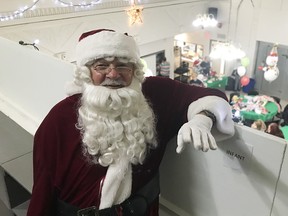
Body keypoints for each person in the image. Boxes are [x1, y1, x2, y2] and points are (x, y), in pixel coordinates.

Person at [27, 29, 235, 216]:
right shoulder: (59, 119)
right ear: (86, 73)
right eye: (102, 66)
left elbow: (210, 95)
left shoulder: (156, 95)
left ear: (134, 70)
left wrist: (203, 118)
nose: (113, 74)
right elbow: (43, 191)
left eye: (122, 65)